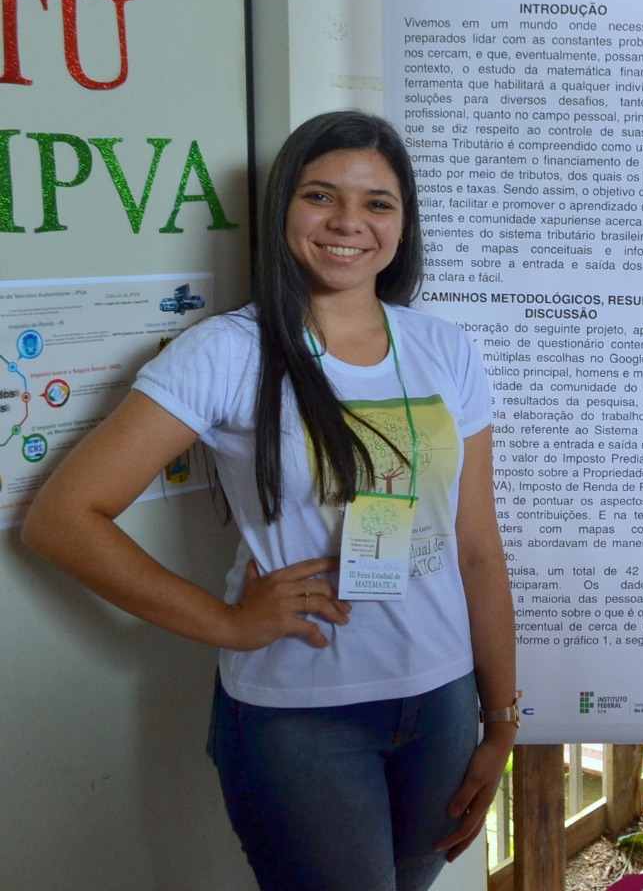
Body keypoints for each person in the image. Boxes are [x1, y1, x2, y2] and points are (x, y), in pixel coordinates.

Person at [21, 111, 517, 891]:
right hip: (303, 715)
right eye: (321, 195)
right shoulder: (228, 351)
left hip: (442, 704)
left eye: (378, 203)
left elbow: (478, 548)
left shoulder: (444, 348)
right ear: (283, 207)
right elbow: (61, 519)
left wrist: (502, 719)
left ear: (403, 223)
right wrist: (226, 623)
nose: (348, 221)